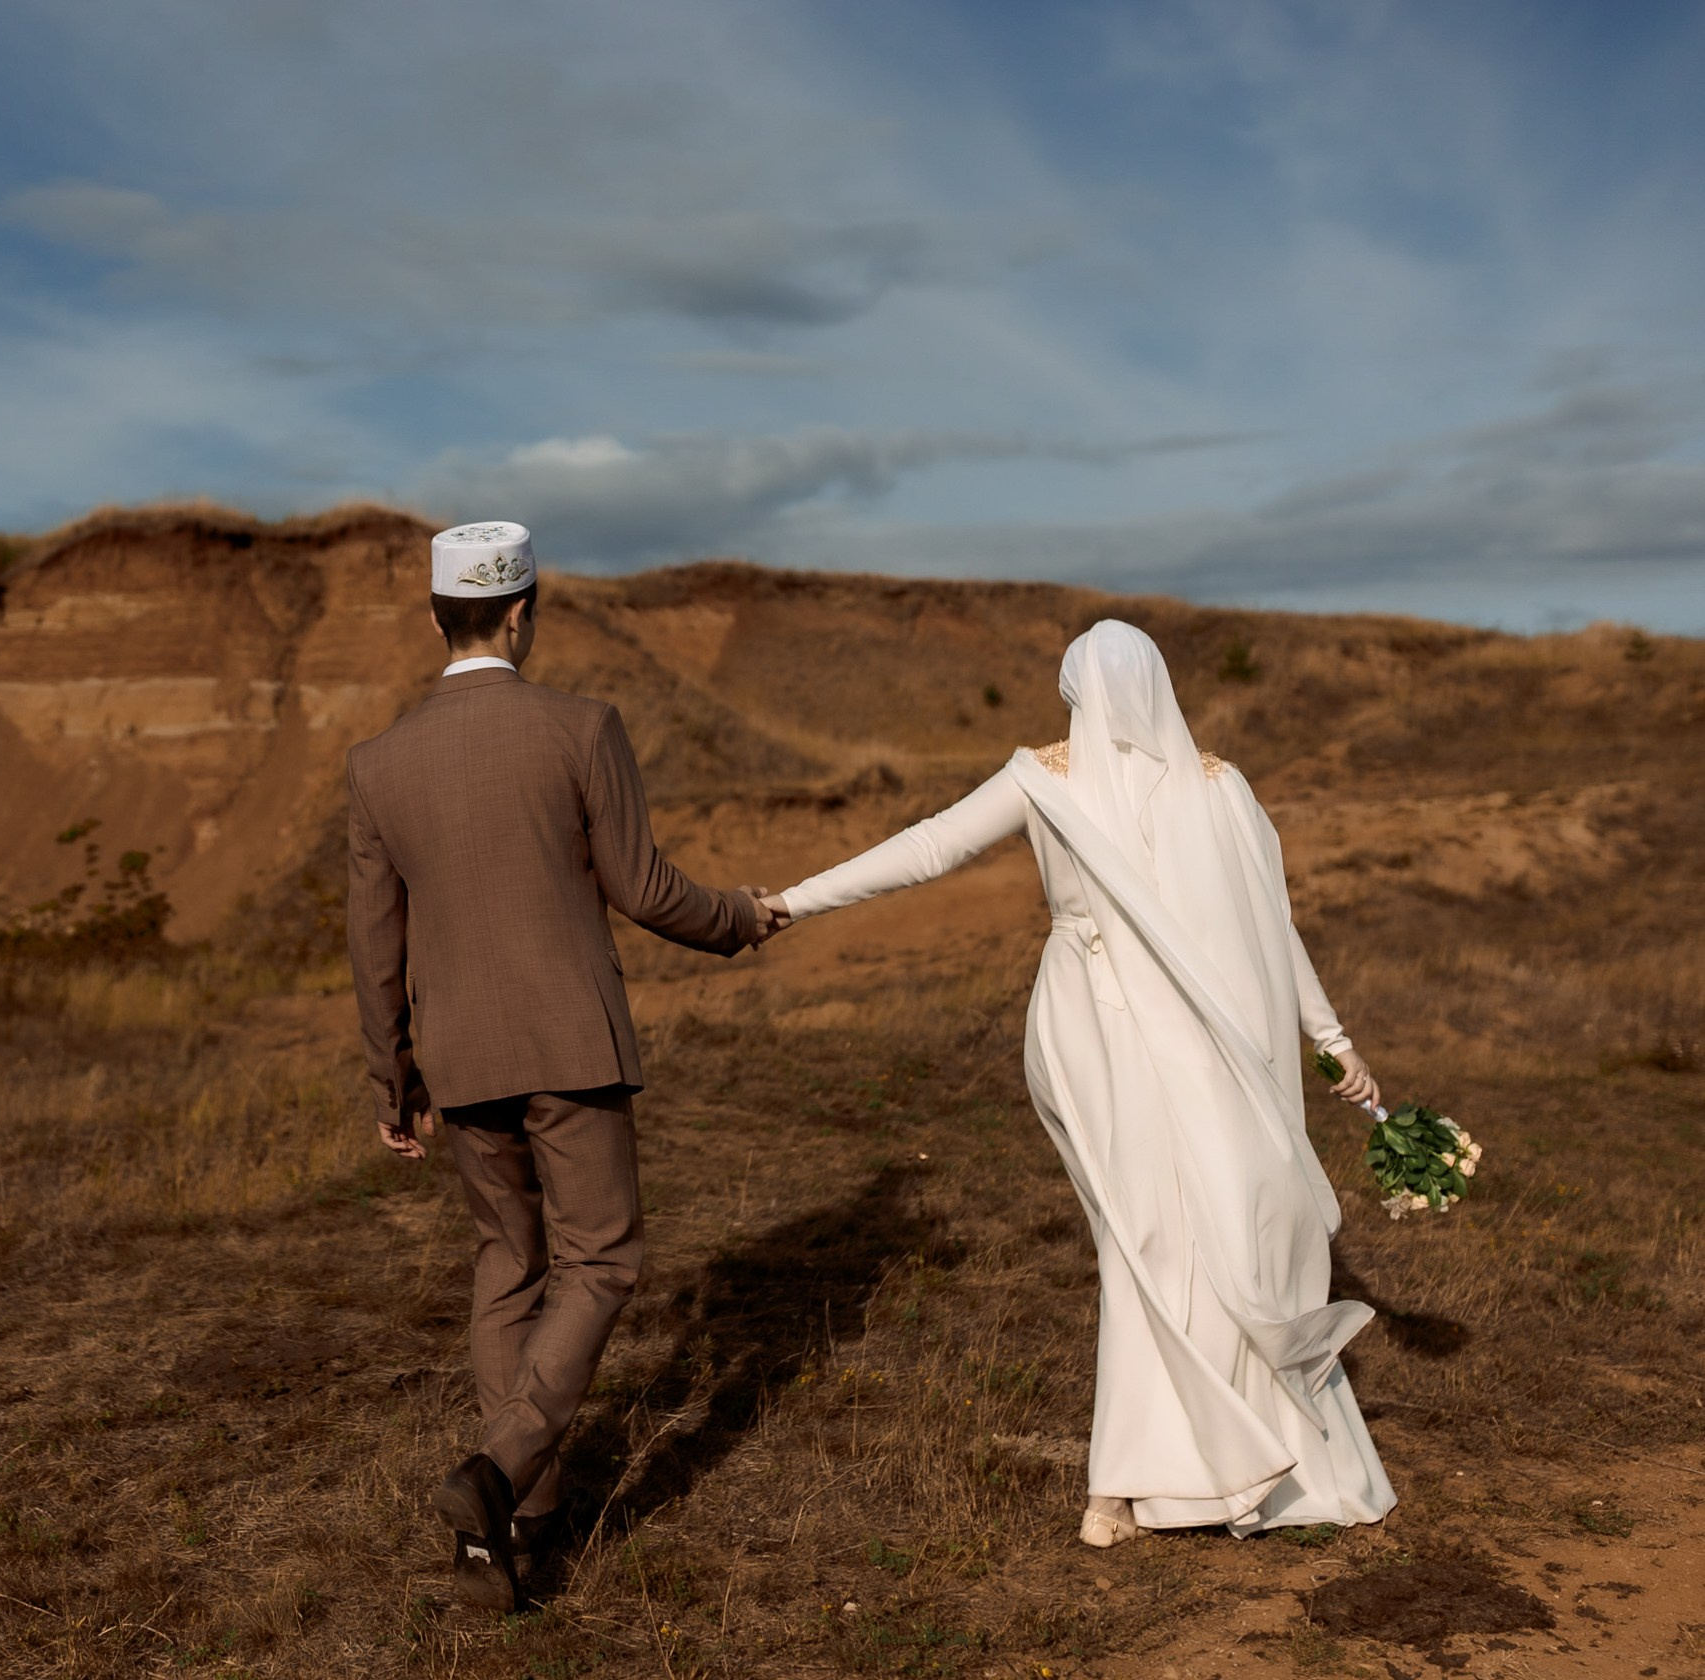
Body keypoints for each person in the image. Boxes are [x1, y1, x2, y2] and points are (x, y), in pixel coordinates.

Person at [758, 620, 1395, 1546]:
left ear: (1073, 690)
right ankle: (1158, 1475)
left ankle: (1142, 1483)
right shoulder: (1219, 787)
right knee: (1183, 1233)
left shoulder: (1047, 776)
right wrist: (1332, 1039)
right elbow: (1276, 928)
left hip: (1090, 1027)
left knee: (1150, 1240)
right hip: (1158, 1037)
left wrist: (787, 900)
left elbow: (931, 846)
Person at [346, 520, 774, 1609]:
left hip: (457, 1054)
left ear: (439, 618)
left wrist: (392, 1078)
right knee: (602, 1261)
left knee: (508, 1265)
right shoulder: (581, 727)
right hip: (569, 1043)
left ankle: (514, 1533)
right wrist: (740, 917)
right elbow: (643, 887)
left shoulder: (377, 762)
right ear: (522, 613)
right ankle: (500, 1471)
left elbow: (373, 943)